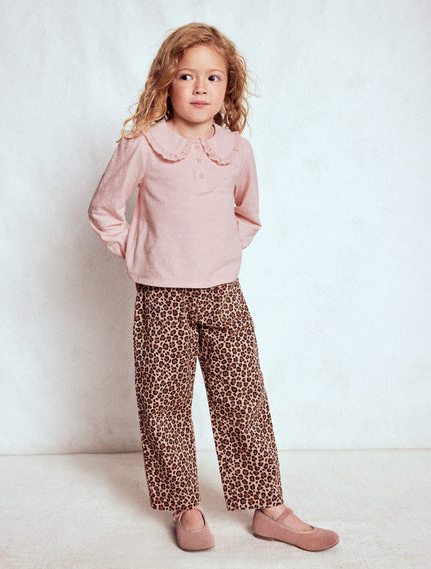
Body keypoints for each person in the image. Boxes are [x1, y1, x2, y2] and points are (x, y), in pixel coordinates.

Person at [88, 22, 339, 553]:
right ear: (166, 82)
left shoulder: (237, 149)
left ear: (229, 87)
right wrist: (139, 253)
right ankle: (186, 506)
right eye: (186, 75)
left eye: (213, 77)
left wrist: (221, 251)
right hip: (160, 295)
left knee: (243, 396)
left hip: (222, 292)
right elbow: (105, 209)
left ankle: (269, 507)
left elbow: (248, 215)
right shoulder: (143, 144)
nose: (200, 87)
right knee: (165, 403)